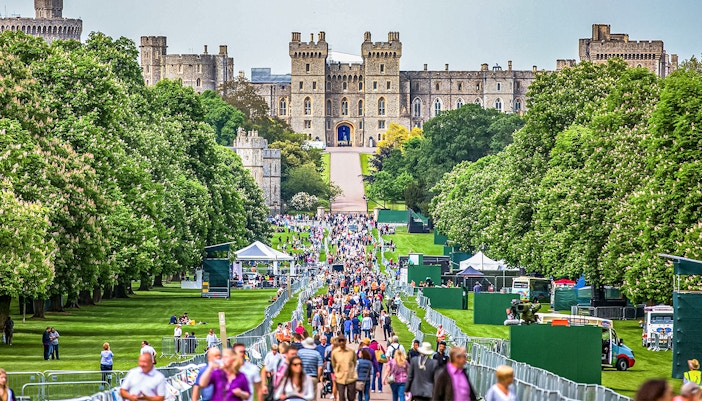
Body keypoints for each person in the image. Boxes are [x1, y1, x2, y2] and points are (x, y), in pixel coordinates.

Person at [331, 336, 357, 401]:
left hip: (350, 377)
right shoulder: (335, 353)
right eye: (340, 341)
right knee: (341, 397)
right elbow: (333, 364)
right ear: (338, 342)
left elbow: (354, 362)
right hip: (340, 377)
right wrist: (337, 371)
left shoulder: (351, 352)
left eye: (343, 341)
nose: (342, 342)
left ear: (346, 341)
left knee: (351, 397)